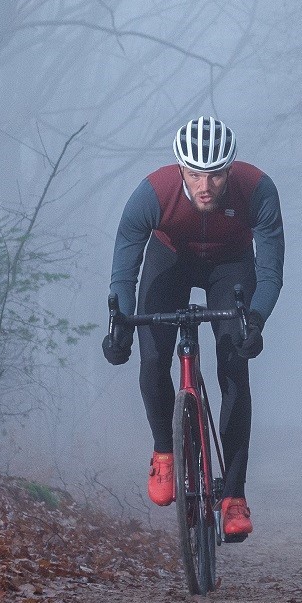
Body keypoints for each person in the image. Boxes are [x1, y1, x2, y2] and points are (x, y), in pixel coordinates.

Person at [103, 116, 284, 540]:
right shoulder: (151, 194)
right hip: (171, 260)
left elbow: (271, 270)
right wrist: (120, 328)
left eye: (217, 175)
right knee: (152, 357)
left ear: (231, 170)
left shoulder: (257, 190)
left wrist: (254, 320)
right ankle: (165, 452)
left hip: (230, 265)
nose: (206, 186)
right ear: (180, 168)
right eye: (195, 174)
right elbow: (123, 272)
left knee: (234, 365)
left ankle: (234, 497)